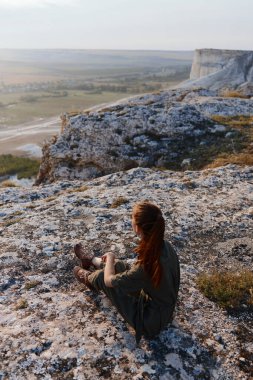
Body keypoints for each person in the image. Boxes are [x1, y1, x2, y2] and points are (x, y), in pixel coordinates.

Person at [73, 201, 180, 343]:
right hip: (162, 305)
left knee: (103, 276)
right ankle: (92, 260)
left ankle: (89, 278)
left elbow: (109, 281)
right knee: (120, 265)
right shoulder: (164, 246)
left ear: (138, 228)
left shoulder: (147, 264)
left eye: (132, 218)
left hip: (150, 321)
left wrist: (110, 257)